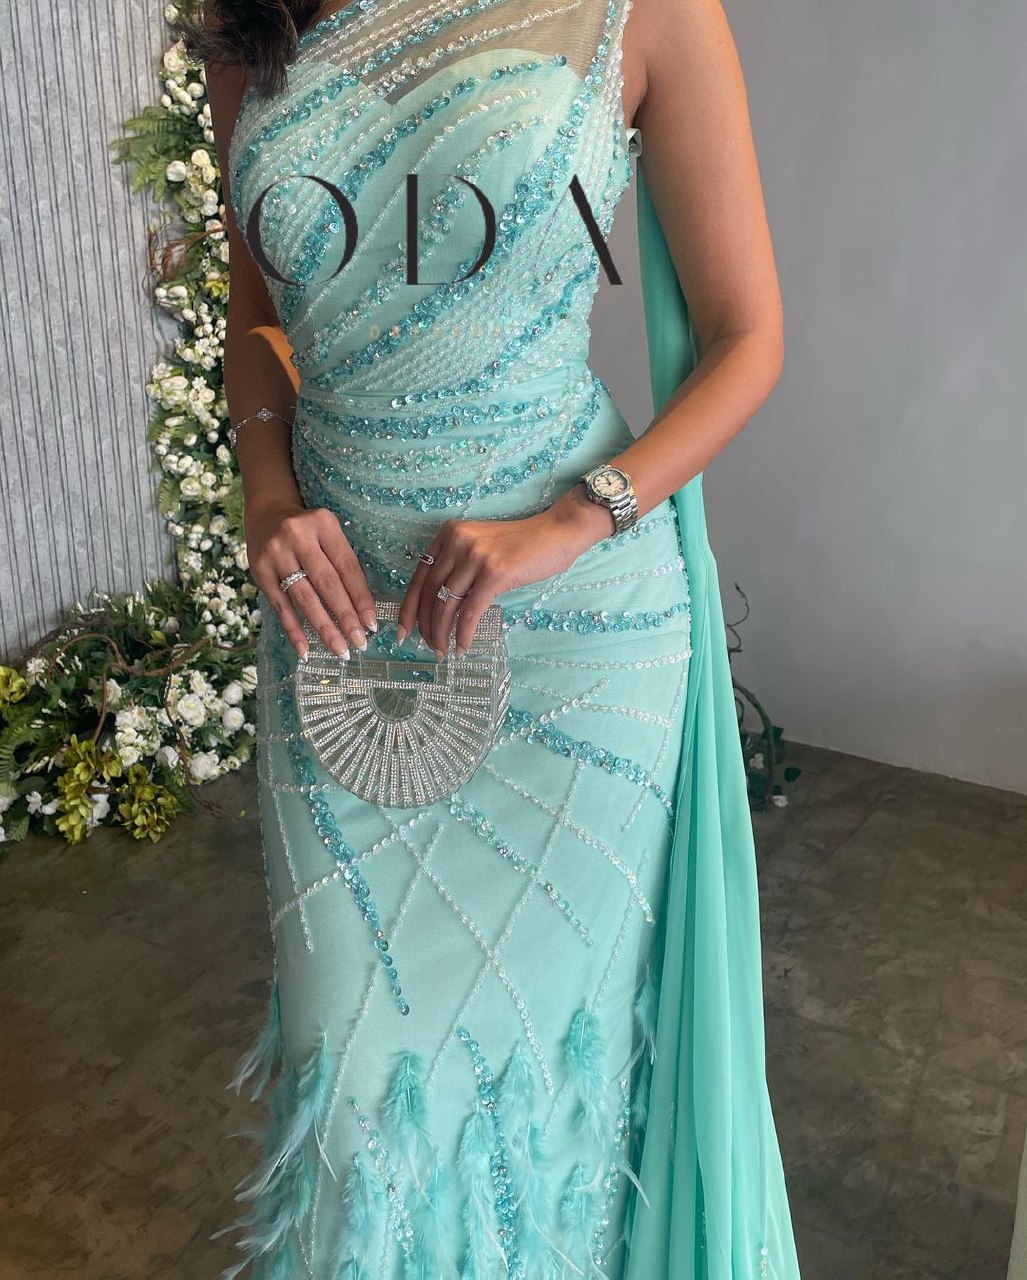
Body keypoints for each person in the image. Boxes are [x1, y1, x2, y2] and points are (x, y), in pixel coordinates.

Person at [178, 0, 801, 1275]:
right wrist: (268, 497)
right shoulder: (257, 20)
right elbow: (256, 320)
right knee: (354, 1095)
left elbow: (746, 337)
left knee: (562, 1089)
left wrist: (576, 519)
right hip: (340, 636)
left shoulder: (651, 12)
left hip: (576, 639)